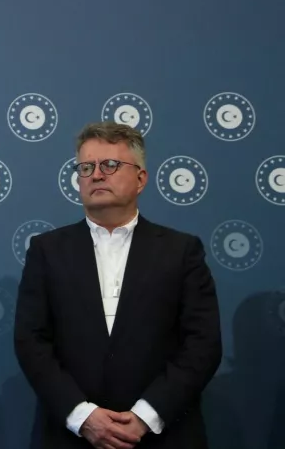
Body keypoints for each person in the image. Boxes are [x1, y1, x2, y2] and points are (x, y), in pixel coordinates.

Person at [14, 122, 222, 449]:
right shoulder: (46, 251)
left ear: (141, 179)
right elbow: (31, 341)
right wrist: (82, 416)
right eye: (86, 167)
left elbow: (203, 344)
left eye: (110, 165)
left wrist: (145, 417)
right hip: (71, 438)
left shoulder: (181, 251)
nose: (97, 175)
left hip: (164, 437)